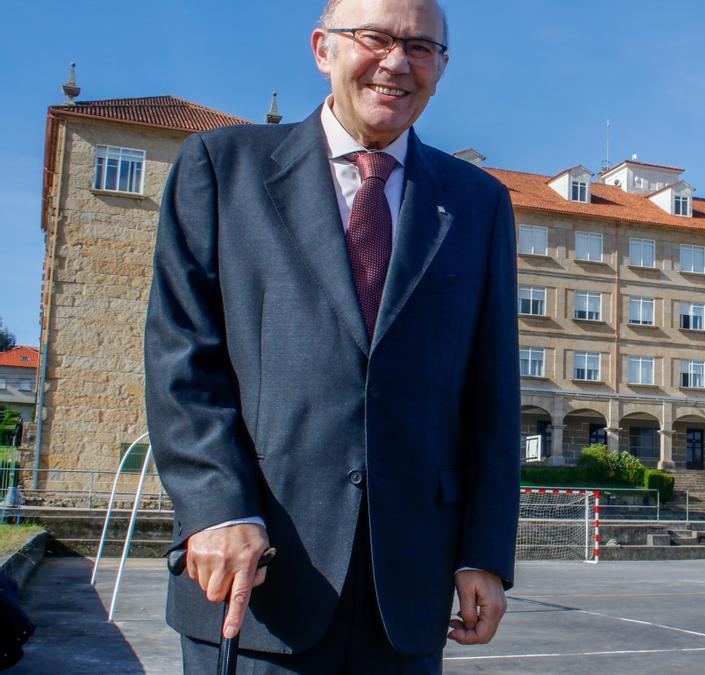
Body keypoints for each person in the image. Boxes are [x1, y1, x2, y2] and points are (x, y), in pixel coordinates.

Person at [143, 0, 519, 671]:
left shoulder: (477, 203)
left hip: (407, 593)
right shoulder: (220, 168)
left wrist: (482, 551)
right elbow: (181, 357)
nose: (398, 63)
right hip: (256, 578)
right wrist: (215, 506)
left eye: (422, 48)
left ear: (441, 67)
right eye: (374, 38)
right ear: (323, 49)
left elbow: (492, 395)